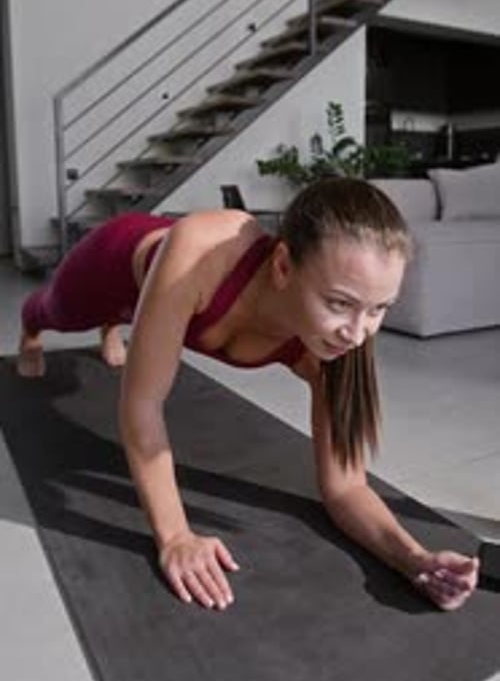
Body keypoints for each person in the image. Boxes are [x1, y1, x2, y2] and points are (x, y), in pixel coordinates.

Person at [17, 177, 479, 612]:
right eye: (338, 303)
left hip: (159, 300)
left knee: (132, 329)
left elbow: (346, 488)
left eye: (378, 309)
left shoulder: (340, 345)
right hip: (116, 261)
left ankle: (113, 328)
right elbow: (143, 405)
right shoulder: (200, 248)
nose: (358, 333)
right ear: (282, 266)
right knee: (56, 310)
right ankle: (34, 331)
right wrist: (176, 537)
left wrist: (415, 560)